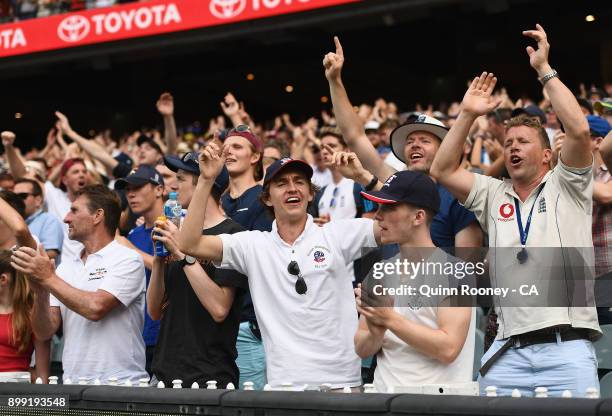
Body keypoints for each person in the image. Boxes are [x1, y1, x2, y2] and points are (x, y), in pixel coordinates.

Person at [430, 25, 600, 397]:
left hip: (566, 349)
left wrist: (544, 69)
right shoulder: (492, 192)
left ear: (546, 155)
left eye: (523, 141)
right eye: (508, 144)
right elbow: (441, 171)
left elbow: (578, 129)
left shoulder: (567, 183)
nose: (513, 148)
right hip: (506, 351)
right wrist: (467, 115)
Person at [176, 144, 382, 390]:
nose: (292, 188)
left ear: (310, 194)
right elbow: (188, 243)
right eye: (281, 183)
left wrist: (363, 178)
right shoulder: (253, 245)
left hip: (342, 384)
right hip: (283, 387)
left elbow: (399, 220)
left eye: (300, 182)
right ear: (267, 197)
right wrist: (206, 181)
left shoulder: (338, 234)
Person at [323, 37, 482, 250]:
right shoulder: (393, 184)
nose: (414, 145)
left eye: (424, 140)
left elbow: (467, 272)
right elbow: (355, 136)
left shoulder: (460, 196)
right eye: (410, 141)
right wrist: (335, 80)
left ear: (445, 148)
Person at [11, 185, 148, 383]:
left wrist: (48, 278)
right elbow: (45, 331)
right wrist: (40, 291)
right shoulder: (65, 268)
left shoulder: (128, 259)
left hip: (121, 383)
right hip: (73, 383)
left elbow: (96, 308)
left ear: (97, 216)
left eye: (74, 210)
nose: (66, 218)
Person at [353, 170, 474, 393]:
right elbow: (362, 348)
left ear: (418, 217)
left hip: (435, 406)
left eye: (389, 208)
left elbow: (449, 348)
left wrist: (388, 319)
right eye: (379, 207)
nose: (378, 216)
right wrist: (376, 330)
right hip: (383, 401)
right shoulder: (379, 271)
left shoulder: (457, 272)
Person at [148, 153, 248, 388]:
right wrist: (158, 259)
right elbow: (154, 311)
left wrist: (182, 254)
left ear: (206, 182)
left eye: (181, 179)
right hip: (163, 372)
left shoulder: (234, 235)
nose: (173, 185)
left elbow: (219, 308)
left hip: (208, 376)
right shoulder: (177, 232)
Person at [220, 125, 270, 389]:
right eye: (225, 148)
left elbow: (259, 262)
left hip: (246, 324)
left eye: (237, 147)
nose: (228, 152)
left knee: (249, 405)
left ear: (255, 157)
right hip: (216, 328)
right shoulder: (217, 202)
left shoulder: (263, 200)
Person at [3, 130, 86, 261]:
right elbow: (23, 177)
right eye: (76, 171)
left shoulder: (93, 201)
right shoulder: (56, 196)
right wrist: (9, 147)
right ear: (64, 179)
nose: (81, 174)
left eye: (84, 171)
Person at [114, 165, 165, 374]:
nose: (131, 194)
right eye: (127, 189)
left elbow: (176, 270)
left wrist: (131, 250)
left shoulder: (177, 225)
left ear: (159, 190)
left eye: (138, 187)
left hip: (167, 334)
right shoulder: (134, 234)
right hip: (136, 337)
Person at [14, 179, 64, 262]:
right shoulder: (14, 221)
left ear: (38, 200)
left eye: (22, 196)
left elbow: (50, 255)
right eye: (14, 197)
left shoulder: (49, 220)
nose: (17, 200)